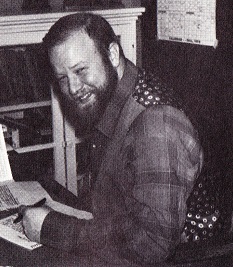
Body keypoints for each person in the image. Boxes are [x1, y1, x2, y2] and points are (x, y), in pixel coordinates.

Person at [22, 13, 203, 266]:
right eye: (63, 78)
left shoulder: (156, 125)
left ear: (113, 55)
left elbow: (152, 242)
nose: (73, 88)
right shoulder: (111, 99)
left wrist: (53, 228)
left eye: (81, 70)